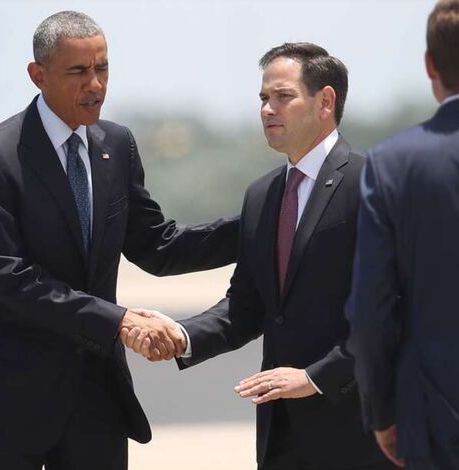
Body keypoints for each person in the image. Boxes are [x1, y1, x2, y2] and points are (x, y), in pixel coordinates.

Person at [0, 10, 238, 470]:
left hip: (95, 400)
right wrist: (118, 320)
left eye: (102, 68)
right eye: (79, 72)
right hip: (10, 402)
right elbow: (12, 280)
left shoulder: (117, 145)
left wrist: (264, 223)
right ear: (38, 75)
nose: (96, 84)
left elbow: (156, 245)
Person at [123, 42, 396, 470]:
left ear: (326, 101)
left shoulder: (372, 185)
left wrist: (314, 377)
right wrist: (182, 334)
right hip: (280, 434)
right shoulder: (263, 195)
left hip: (358, 432)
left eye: (283, 97)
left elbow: (390, 312)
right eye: (263, 99)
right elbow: (246, 306)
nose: (268, 109)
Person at [345, 0, 459, 468]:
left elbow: (369, 311)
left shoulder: (393, 164)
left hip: (438, 421)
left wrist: (382, 412)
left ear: (430, 65)